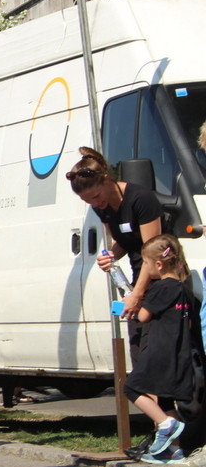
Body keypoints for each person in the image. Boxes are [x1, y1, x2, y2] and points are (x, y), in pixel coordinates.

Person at [66, 146, 163, 363]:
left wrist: (137, 296)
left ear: (106, 180)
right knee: (138, 354)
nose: (95, 204)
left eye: (97, 196)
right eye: (88, 201)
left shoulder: (140, 199)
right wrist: (111, 255)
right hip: (138, 280)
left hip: (160, 280)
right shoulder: (102, 208)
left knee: (152, 356)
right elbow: (124, 242)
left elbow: (153, 253)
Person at [124, 235, 204, 464]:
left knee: (131, 387)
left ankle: (167, 425)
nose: (146, 270)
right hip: (180, 352)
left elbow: (143, 316)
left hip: (159, 350)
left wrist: (131, 302)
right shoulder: (184, 289)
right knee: (166, 401)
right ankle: (173, 452)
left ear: (158, 265)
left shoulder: (160, 288)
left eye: (146, 265)